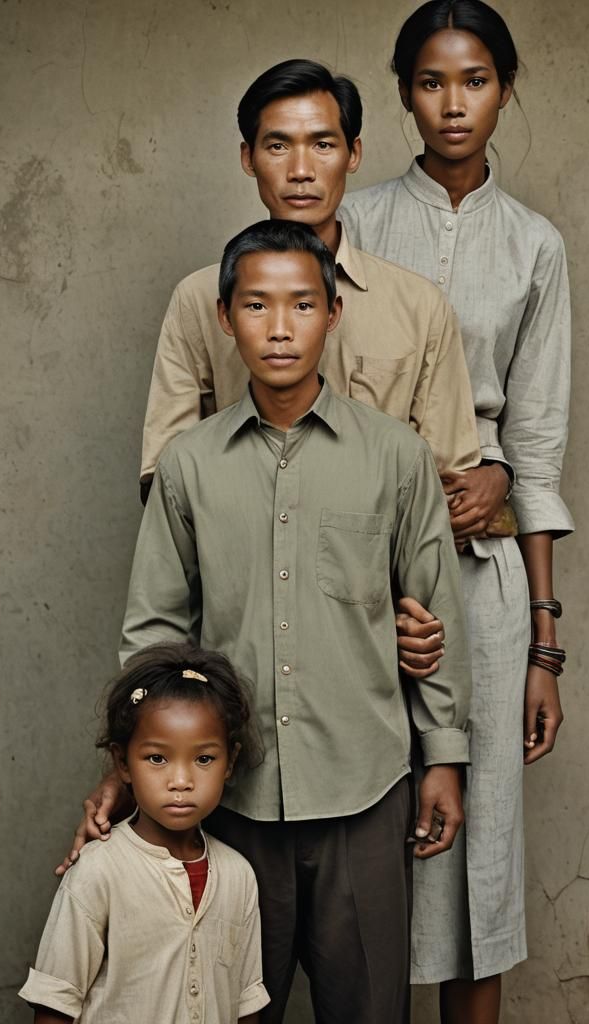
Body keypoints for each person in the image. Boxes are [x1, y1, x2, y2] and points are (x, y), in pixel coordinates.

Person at [57, 57, 487, 870]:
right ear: (247, 156)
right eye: (276, 145)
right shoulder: (196, 303)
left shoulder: (417, 306)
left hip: (370, 676)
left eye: (321, 144)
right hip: (238, 673)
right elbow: (169, 492)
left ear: (354, 153)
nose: (299, 168)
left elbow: (446, 501)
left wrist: (381, 603)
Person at [120, 219, 472, 1023]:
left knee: (372, 1008)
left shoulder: (396, 457)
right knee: (231, 1008)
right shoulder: (189, 465)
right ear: (223, 317)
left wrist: (445, 756)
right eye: (256, 306)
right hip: (231, 797)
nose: (280, 328)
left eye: (303, 305)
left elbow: (434, 607)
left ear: (333, 315)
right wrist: (139, 767)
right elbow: (152, 633)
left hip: (366, 789)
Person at [338, 3, 575, 1022]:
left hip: (482, 581)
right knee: (365, 836)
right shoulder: (353, 223)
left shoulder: (534, 246)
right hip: (364, 569)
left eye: (474, 79)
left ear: (506, 89)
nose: (452, 102)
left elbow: (538, 440)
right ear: (402, 93)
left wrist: (543, 645)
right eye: (431, 81)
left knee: (476, 848)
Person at [18, 642, 269, 1024]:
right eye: (157, 758)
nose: (181, 781)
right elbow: (54, 1004)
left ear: (230, 762)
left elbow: (245, 1004)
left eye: (204, 759)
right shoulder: (98, 871)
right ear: (122, 763)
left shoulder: (239, 876)